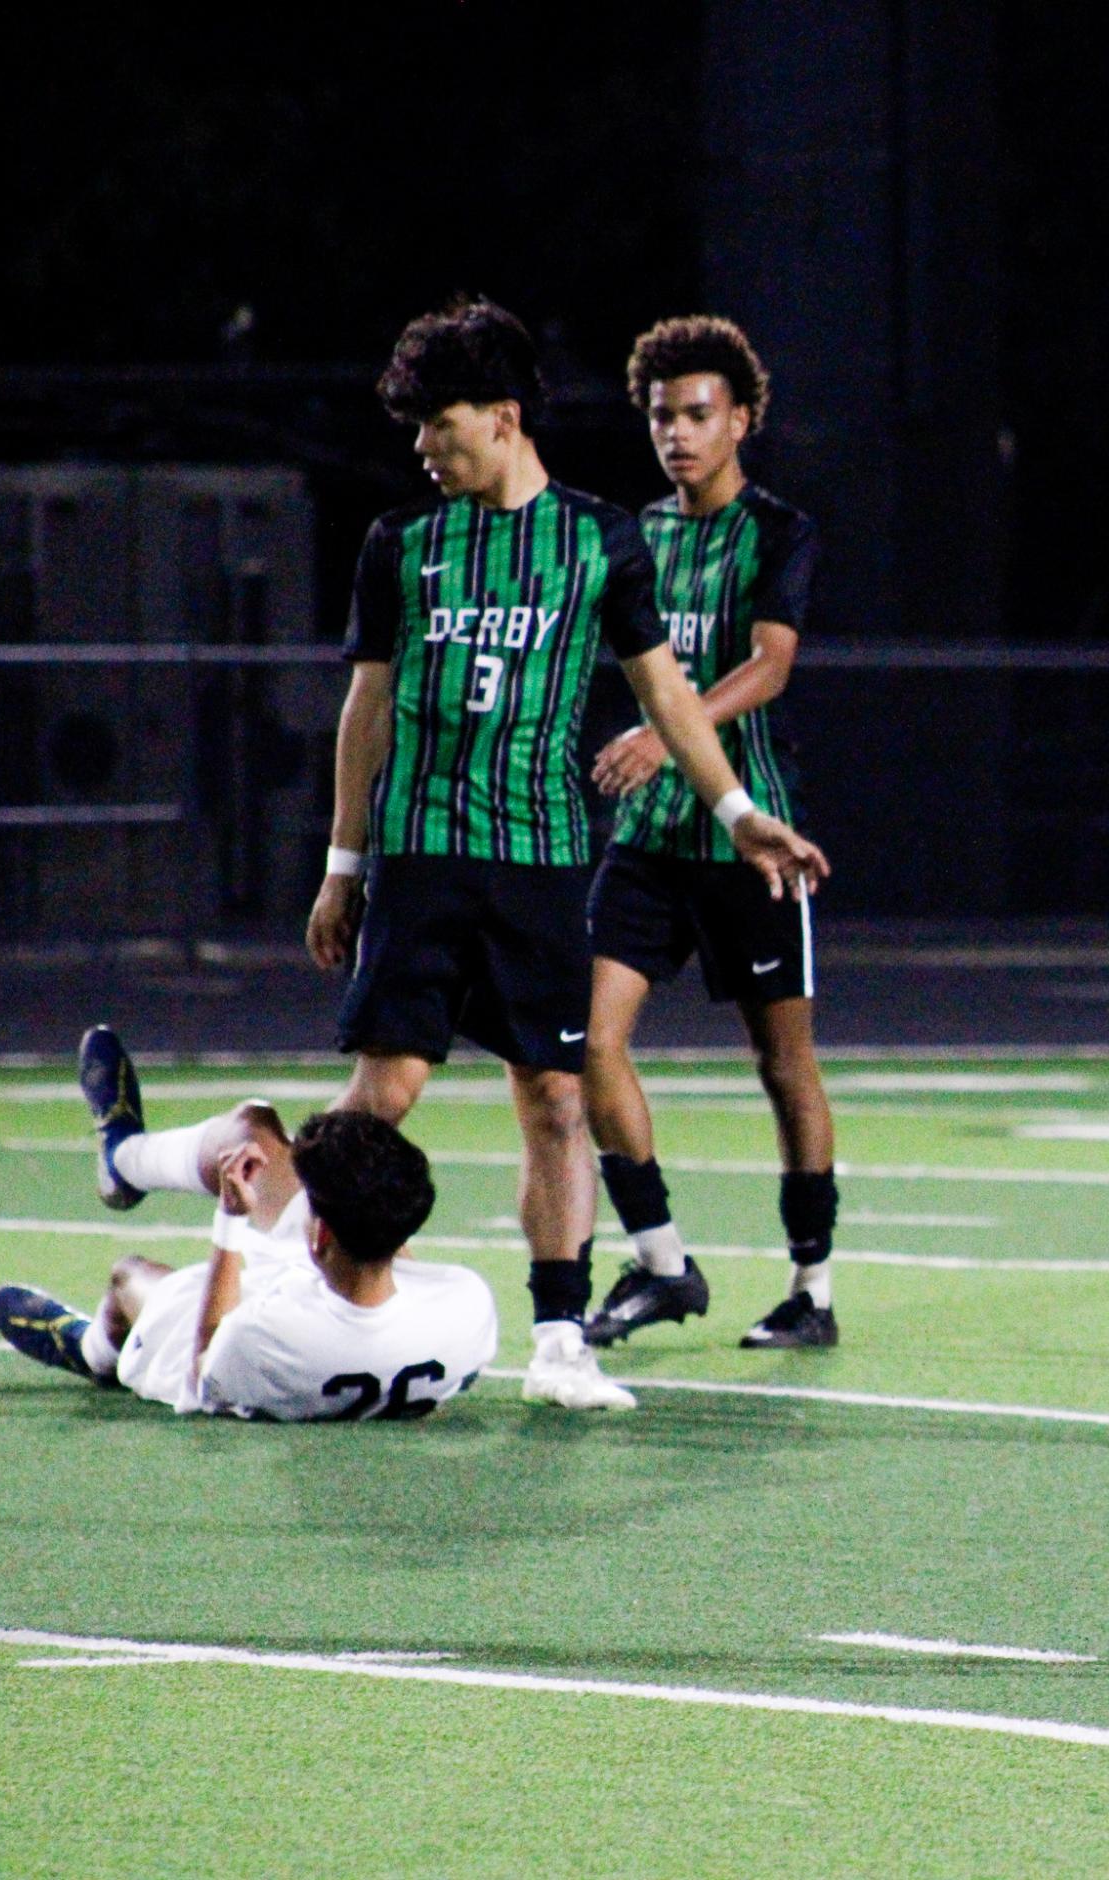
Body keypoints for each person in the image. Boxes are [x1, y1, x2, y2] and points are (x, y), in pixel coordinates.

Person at [302, 296, 829, 1410]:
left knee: (554, 1096)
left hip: (541, 860)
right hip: (421, 855)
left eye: (437, 426)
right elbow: (367, 708)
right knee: (381, 1091)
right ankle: (291, 1280)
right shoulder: (402, 542)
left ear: (501, 417)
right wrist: (343, 865)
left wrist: (736, 811)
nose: (421, 448)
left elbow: (665, 692)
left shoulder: (599, 538)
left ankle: (557, 1340)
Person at [581, 315, 840, 1352]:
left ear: (741, 418)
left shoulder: (778, 531)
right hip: (647, 839)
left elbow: (771, 666)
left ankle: (812, 1288)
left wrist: (659, 728)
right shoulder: (632, 536)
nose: (678, 434)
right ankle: (659, 1261)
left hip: (748, 836)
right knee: (588, 1041)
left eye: (698, 414)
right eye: (661, 416)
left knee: (785, 1064)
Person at [0, 1027, 496, 1420]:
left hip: (244, 1344)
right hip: (329, 1298)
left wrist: (231, 1219)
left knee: (129, 1276)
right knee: (255, 1128)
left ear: (320, 1234)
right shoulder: (465, 1305)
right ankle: (124, 1161)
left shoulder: (263, 1335)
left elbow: (204, 1368)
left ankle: (91, 1349)